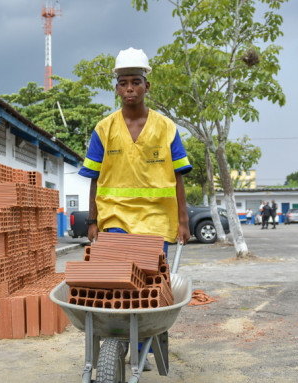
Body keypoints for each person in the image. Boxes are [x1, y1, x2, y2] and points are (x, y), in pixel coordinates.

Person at [77, 47, 192, 371]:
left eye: (136, 82)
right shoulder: (104, 128)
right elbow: (95, 179)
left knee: (150, 281)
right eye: (124, 83)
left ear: (147, 86)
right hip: (115, 215)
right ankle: (121, 338)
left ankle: (141, 342)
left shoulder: (166, 127)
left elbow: (179, 177)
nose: (130, 88)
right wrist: (93, 221)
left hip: (157, 218)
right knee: (118, 281)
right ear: (117, 88)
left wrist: (183, 221)